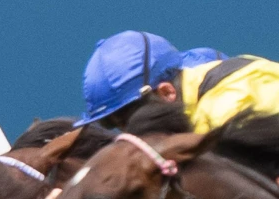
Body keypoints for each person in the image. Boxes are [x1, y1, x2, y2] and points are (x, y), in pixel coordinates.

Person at [77, 30, 279, 132]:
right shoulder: (202, 96)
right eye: (115, 126)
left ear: (166, 92)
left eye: (129, 121)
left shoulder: (228, 107)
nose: (128, 134)